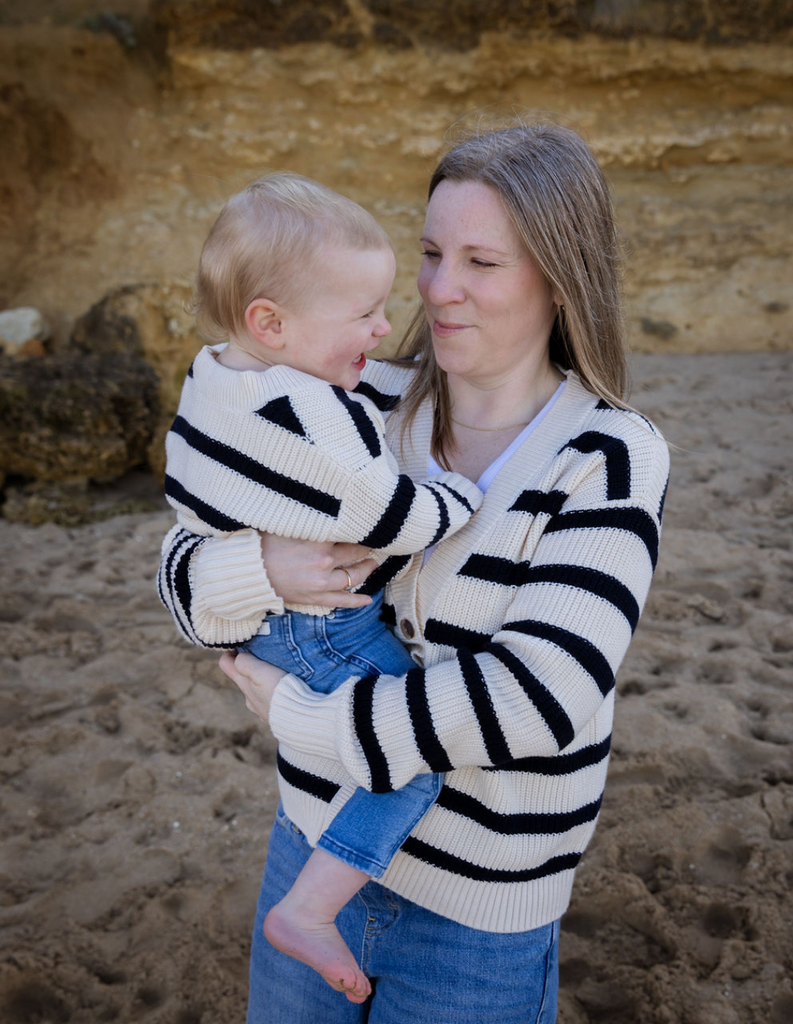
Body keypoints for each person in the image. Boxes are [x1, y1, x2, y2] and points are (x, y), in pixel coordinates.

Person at [158, 122, 670, 1024]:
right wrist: (265, 568)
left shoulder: (608, 455)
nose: (437, 289)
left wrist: (307, 720)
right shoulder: (352, 396)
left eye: (480, 261)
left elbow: (539, 698)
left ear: (558, 275)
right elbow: (181, 576)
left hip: (478, 912)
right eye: (431, 253)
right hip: (308, 846)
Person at [160, 172, 485, 1003]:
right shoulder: (308, 408)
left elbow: (184, 515)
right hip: (321, 626)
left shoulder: (214, 376)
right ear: (271, 322)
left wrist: (248, 565)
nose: (385, 327)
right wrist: (462, 498)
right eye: (365, 314)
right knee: (410, 759)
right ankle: (310, 908)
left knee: (361, 751)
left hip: (264, 622)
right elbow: (383, 513)